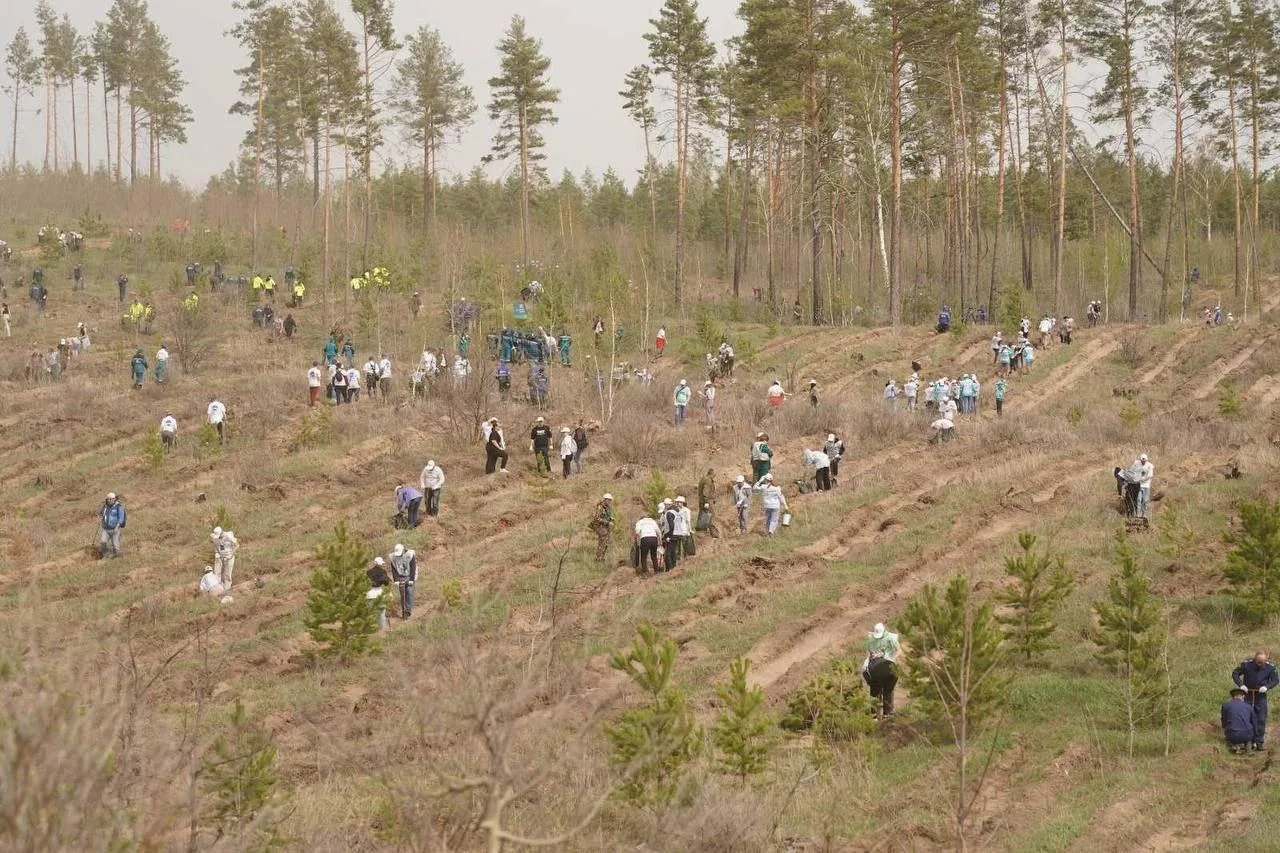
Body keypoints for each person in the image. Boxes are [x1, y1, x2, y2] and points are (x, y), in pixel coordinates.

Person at [1232, 651, 1279, 750]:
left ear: (1265, 660)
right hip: (1247, 694)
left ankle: (1259, 742)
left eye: (1262, 662)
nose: (1260, 664)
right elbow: (1235, 673)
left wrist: (1267, 687)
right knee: (1246, 718)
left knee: (1261, 719)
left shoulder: (1270, 667)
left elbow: (1275, 680)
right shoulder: (1246, 664)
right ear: (1254, 659)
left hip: (1260, 696)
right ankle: (1247, 741)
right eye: (1258, 662)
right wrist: (1241, 685)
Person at [1222, 687, 1256, 754]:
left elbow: (1224, 722)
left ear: (1232, 697)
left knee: (1230, 731)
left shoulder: (1225, 705)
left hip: (1232, 734)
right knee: (1248, 733)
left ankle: (1233, 746)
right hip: (1247, 735)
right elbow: (1254, 724)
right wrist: (1254, 739)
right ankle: (1248, 750)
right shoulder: (1249, 706)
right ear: (1243, 696)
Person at [389, 544, 417, 619]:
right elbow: (393, 569)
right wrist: (396, 580)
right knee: (402, 595)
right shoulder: (393, 557)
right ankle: (403, 611)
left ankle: (408, 610)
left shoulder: (410, 554)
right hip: (400, 576)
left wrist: (411, 579)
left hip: (409, 576)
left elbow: (413, 567)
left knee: (409, 592)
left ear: (403, 550)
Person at [98, 492, 127, 558]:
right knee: (103, 542)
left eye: (112, 499)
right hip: (106, 529)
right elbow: (100, 514)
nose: (110, 500)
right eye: (108, 499)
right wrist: (100, 518)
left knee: (115, 546)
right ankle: (106, 556)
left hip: (115, 529)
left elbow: (121, 518)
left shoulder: (119, 507)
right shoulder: (105, 506)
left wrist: (117, 527)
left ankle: (118, 557)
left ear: (115, 499)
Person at [367, 557, 391, 630]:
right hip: (379, 593)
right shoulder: (383, 572)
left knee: (370, 612)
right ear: (380, 563)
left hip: (369, 594)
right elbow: (387, 583)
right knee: (381, 613)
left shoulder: (368, 572)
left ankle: (370, 628)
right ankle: (381, 629)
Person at [591, 494, 615, 562]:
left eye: (610, 500)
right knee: (602, 543)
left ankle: (602, 557)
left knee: (606, 544)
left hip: (606, 527)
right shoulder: (600, 507)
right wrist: (607, 522)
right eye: (609, 500)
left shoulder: (608, 507)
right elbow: (597, 518)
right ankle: (598, 558)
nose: (610, 501)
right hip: (601, 527)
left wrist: (611, 519)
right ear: (605, 499)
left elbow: (607, 516)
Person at [1134, 453, 1154, 518]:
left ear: (1146, 460)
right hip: (1139, 485)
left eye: (1144, 461)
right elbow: (1133, 470)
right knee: (1139, 499)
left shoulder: (1149, 466)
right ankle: (1138, 513)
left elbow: (1150, 476)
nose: (1143, 462)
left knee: (1145, 500)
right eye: (1142, 461)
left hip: (1146, 485)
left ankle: (1144, 514)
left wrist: (1143, 479)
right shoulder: (1137, 463)